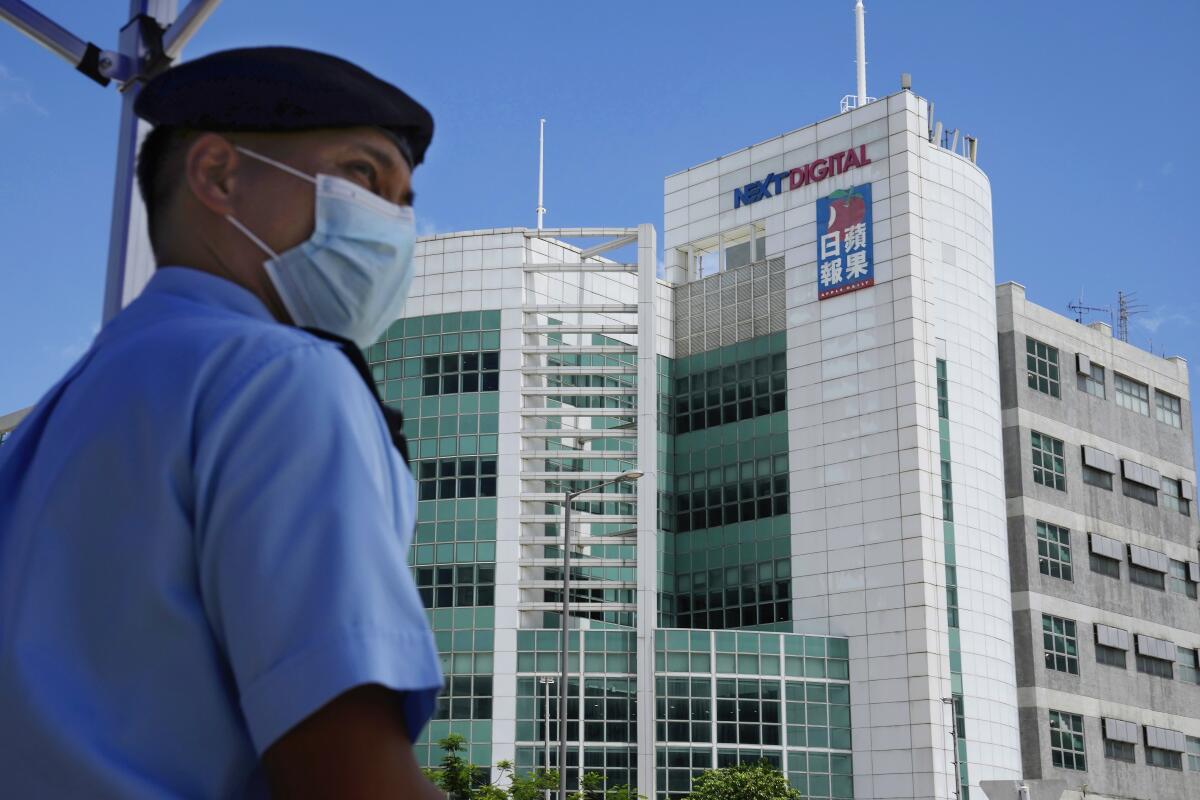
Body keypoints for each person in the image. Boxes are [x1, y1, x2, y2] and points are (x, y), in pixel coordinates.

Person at [0, 47, 445, 798]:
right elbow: (344, 773)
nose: (394, 224)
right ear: (218, 175)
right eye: (365, 175)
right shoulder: (281, 376)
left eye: (403, 201)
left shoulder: (59, 413)